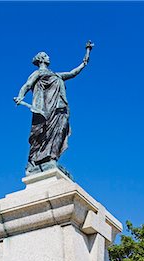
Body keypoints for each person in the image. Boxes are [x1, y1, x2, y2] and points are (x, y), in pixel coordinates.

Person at [14, 41, 93, 174]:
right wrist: (20, 96)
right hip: (46, 110)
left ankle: (51, 158)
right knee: (43, 133)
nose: (49, 57)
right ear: (41, 59)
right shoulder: (38, 73)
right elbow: (27, 85)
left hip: (59, 108)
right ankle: (36, 161)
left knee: (60, 131)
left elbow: (72, 73)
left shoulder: (56, 75)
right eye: (46, 56)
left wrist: (86, 58)